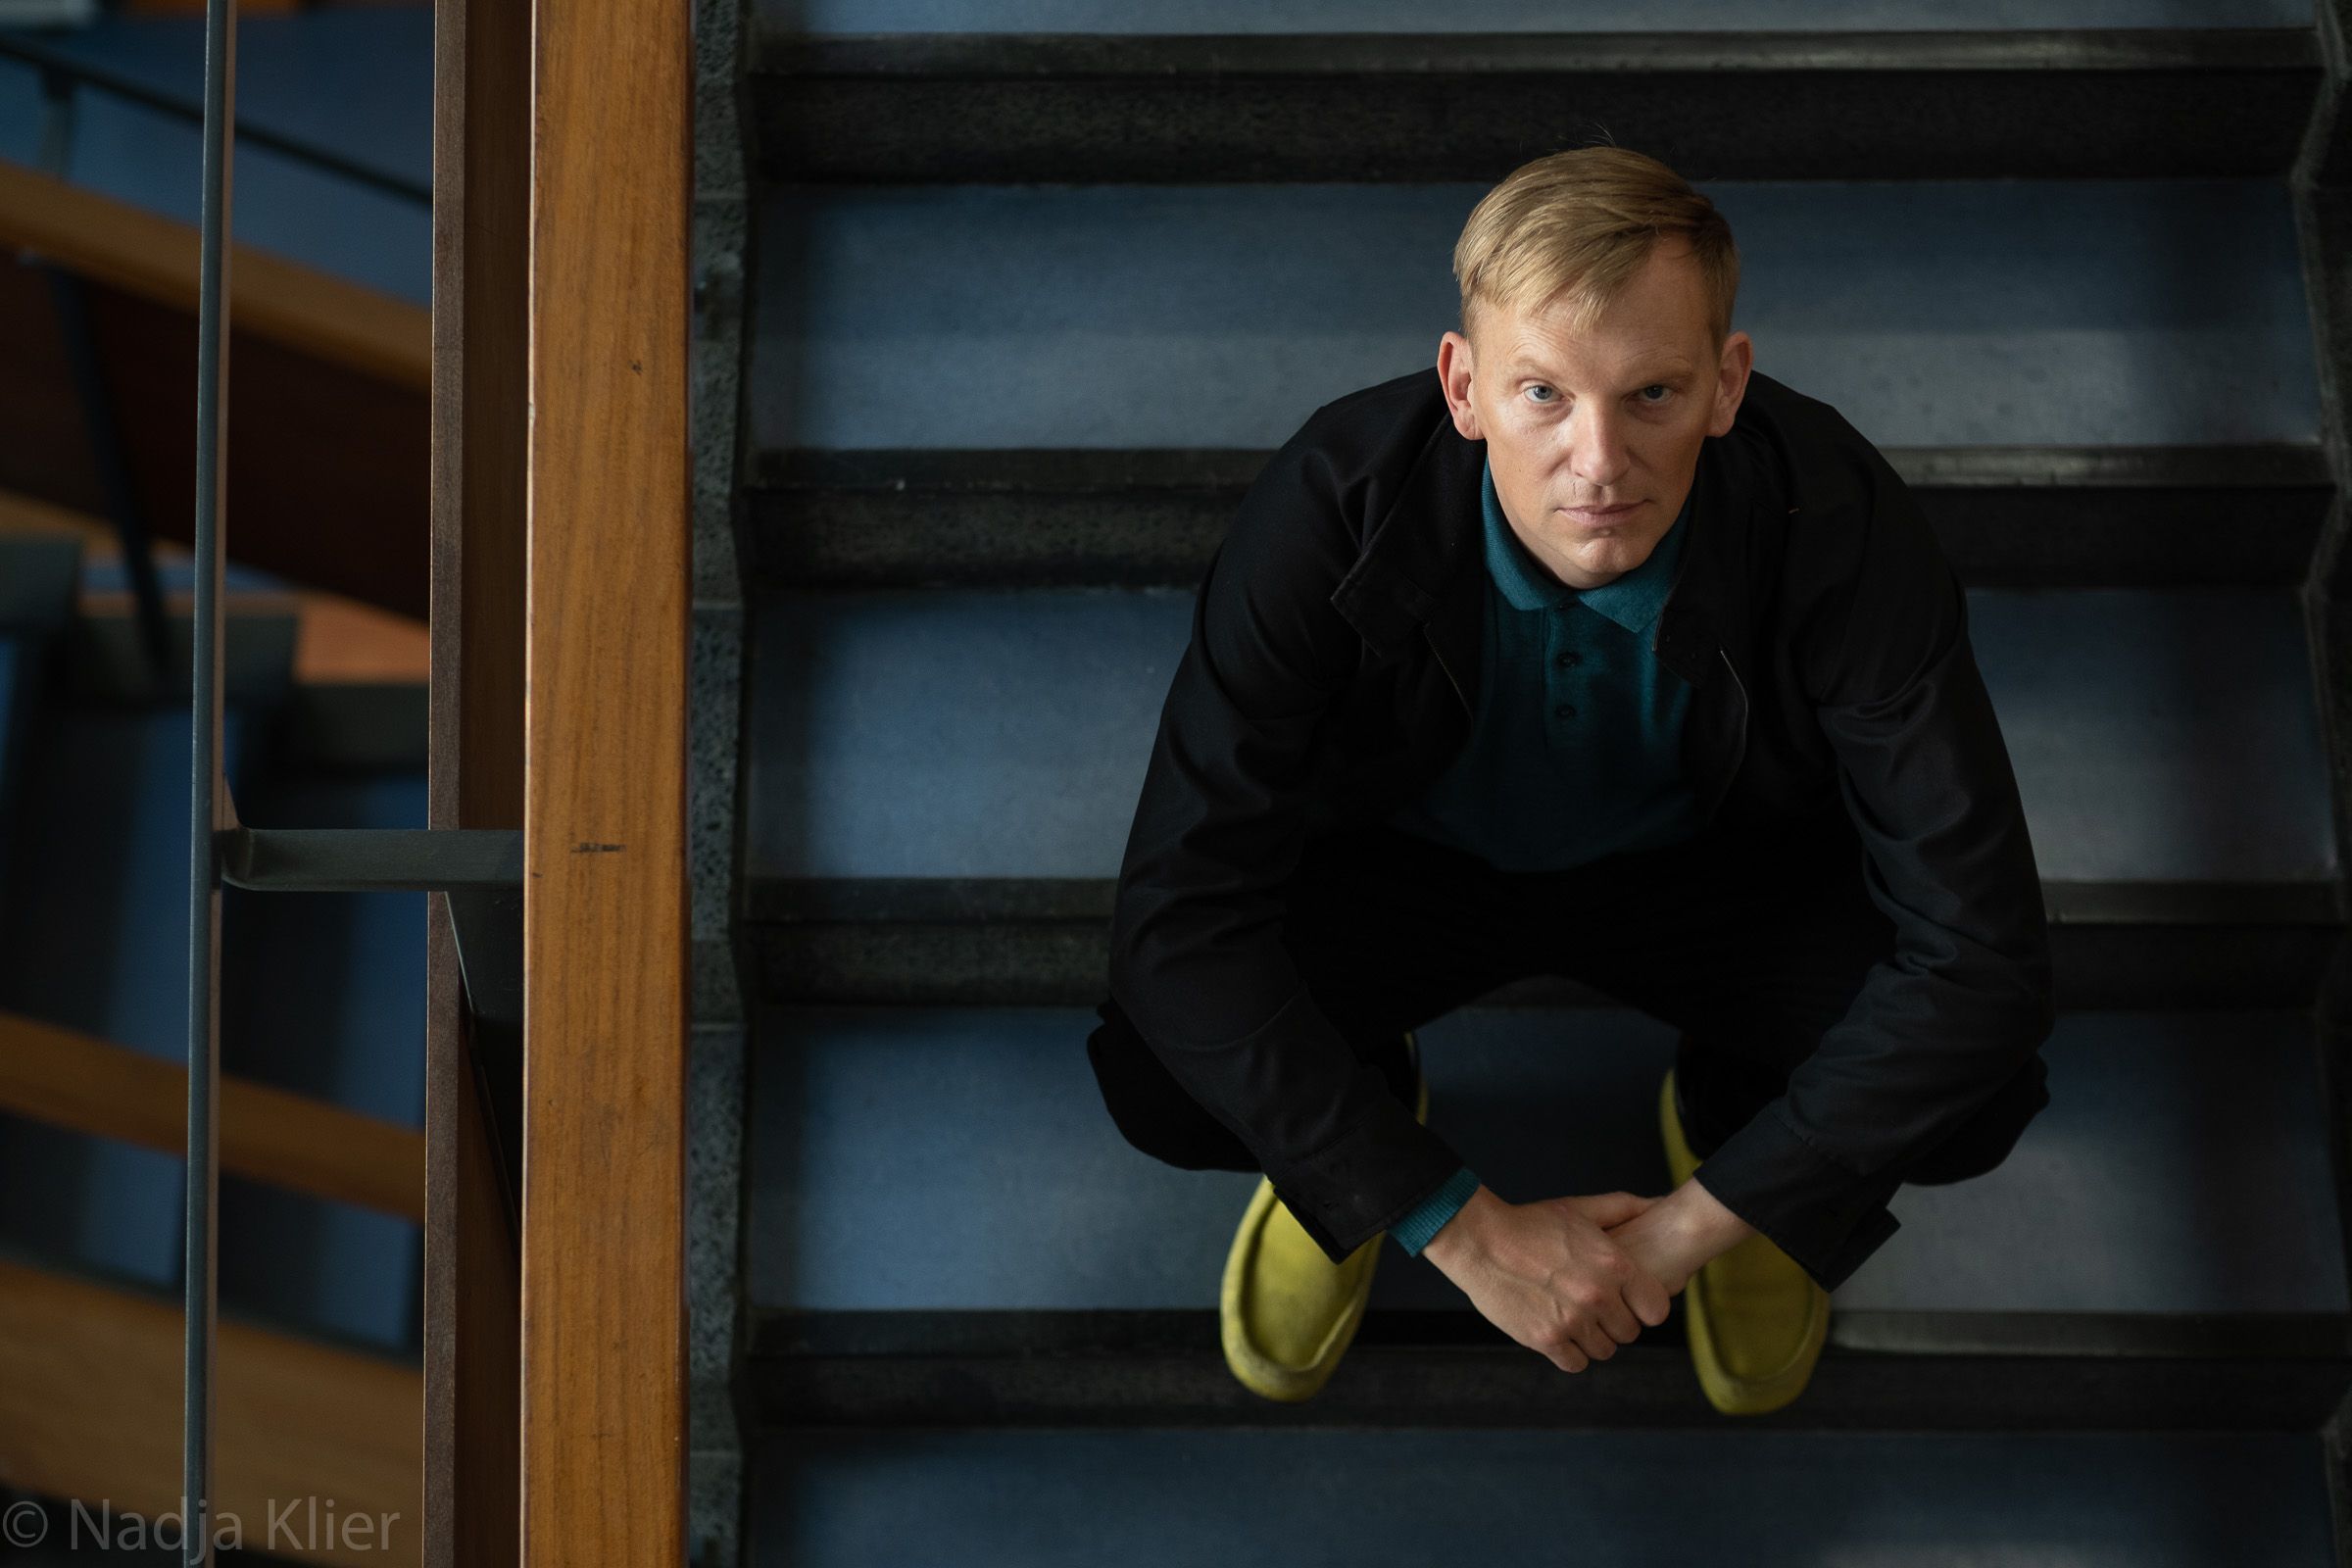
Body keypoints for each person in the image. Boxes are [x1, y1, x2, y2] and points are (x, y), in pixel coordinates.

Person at [1085, 145, 2056, 1415]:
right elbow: (1176, 927)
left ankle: (1733, 1124)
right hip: (1410, 866)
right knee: (1162, 1074)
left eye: (1651, 393)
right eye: (1543, 393)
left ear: (1726, 383)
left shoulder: (1836, 519)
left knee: (1978, 1098)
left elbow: (1981, 956)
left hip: (1711, 877)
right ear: (1463, 386)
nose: (1598, 462)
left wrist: (1701, 1221)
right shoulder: (1332, 503)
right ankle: (1359, 1134)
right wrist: (1444, 1216)